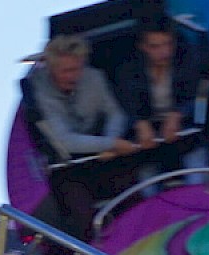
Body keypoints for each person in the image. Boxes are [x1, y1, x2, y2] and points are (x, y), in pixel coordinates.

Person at [24, 35, 142, 239]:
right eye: (66, 71)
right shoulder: (39, 91)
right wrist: (111, 143)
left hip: (103, 156)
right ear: (51, 68)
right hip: (66, 167)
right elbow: (64, 140)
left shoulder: (94, 77)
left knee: (134, 194)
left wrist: (110, 144)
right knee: (82, 217)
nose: (74, 76)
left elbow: (115, 113)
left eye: (77, 69)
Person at [115, 24, 207, 173]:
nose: (164, 52)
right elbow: (123, 104)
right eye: (155, 47)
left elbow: (201, 95)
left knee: (198, 176)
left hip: (186, 131)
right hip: (146, 139)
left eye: (168, 44)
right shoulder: (128, 70)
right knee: (147, 180)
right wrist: (138, 122)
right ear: (142, 47)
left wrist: (178, 113)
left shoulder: (187, 61)